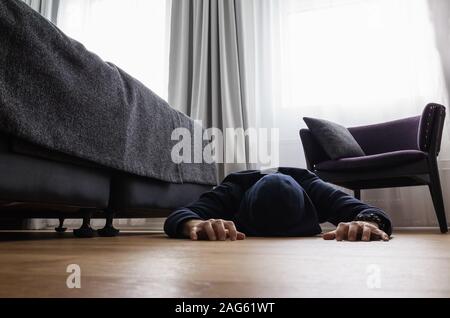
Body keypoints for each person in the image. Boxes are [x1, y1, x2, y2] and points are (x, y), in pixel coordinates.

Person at [164, 168, 392, 242]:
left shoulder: (313, 187)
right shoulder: (234, 188)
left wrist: (368, 222)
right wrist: (192, 224)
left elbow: (370, 212)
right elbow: (181, 215)